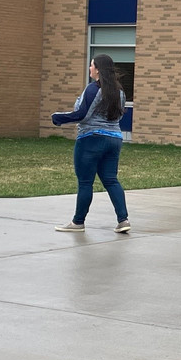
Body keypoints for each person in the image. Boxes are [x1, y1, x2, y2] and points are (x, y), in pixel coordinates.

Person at [52, 54, 131, 233]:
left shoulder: (92, 89)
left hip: (91, 140)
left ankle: (78, 222)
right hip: (114, 139)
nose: (89, 69)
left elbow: (81, 114)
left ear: (98, 69)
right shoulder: (120, 92)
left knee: (85, 182)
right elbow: (118, 116)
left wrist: (57, 118)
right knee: (111, 180)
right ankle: (123, 220)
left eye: (91, 66)